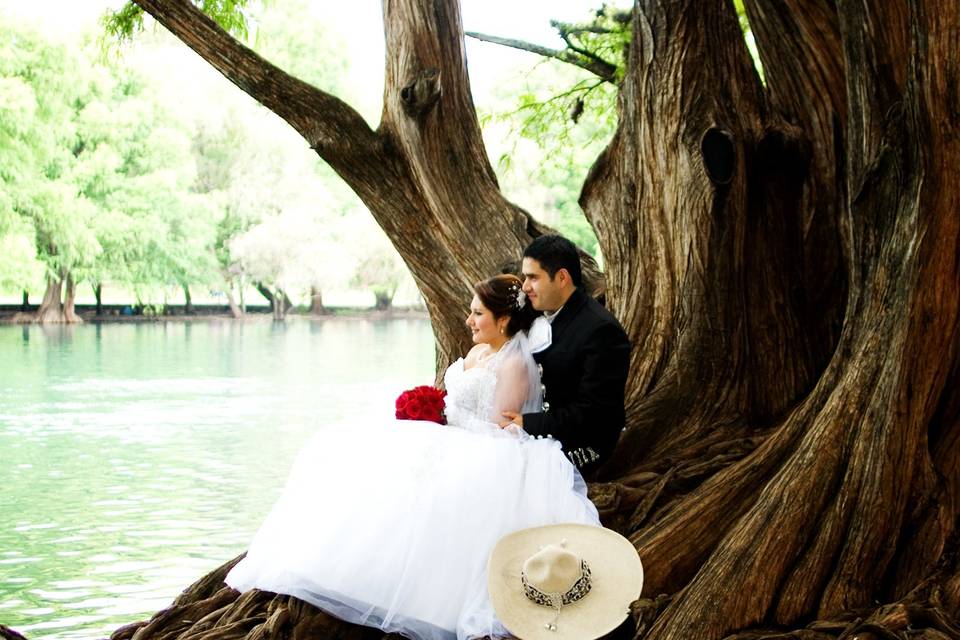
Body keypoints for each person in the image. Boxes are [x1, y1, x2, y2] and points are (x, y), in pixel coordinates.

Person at [225, 274, 600, 640]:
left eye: (478, 314)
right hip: (449, 433)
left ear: (503, 320)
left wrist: (447, 427)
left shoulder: (515, 363)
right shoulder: (476, 351)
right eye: (471, 312)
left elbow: (503, 427)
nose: (469, 320)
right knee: (349, 454)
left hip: (483, 447)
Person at [500, 235, 631, 475]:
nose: (525, 286)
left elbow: (594, 413)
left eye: (533, 277)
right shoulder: (537, 313)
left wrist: (528, 423)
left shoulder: (601, 330)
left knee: (509, 471)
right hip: (541, 433)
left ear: (561, 278)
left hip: (585, 446)